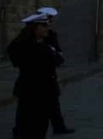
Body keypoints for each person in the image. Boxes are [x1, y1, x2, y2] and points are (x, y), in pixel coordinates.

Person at [8, 13, 64, 138]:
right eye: (43, 26)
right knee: (29, 125)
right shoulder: (30, 47)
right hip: (32, 90)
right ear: (34, 28)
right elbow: (57, 59)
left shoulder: (42, 44)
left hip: (44, 90)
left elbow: (59, 60)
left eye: (47, 25)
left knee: (40, 126)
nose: (46, 28)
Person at [37, 7, 75, 135]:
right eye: (46, 21)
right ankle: (19, 130)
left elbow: (57, 52)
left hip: (49, 74)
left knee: (53, 103)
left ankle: (59, 127)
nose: (48, 24)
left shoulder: (51, 34)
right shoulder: (29, 38)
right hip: (34, 77)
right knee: (28, 106)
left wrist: (57, 56)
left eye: (49, 21)